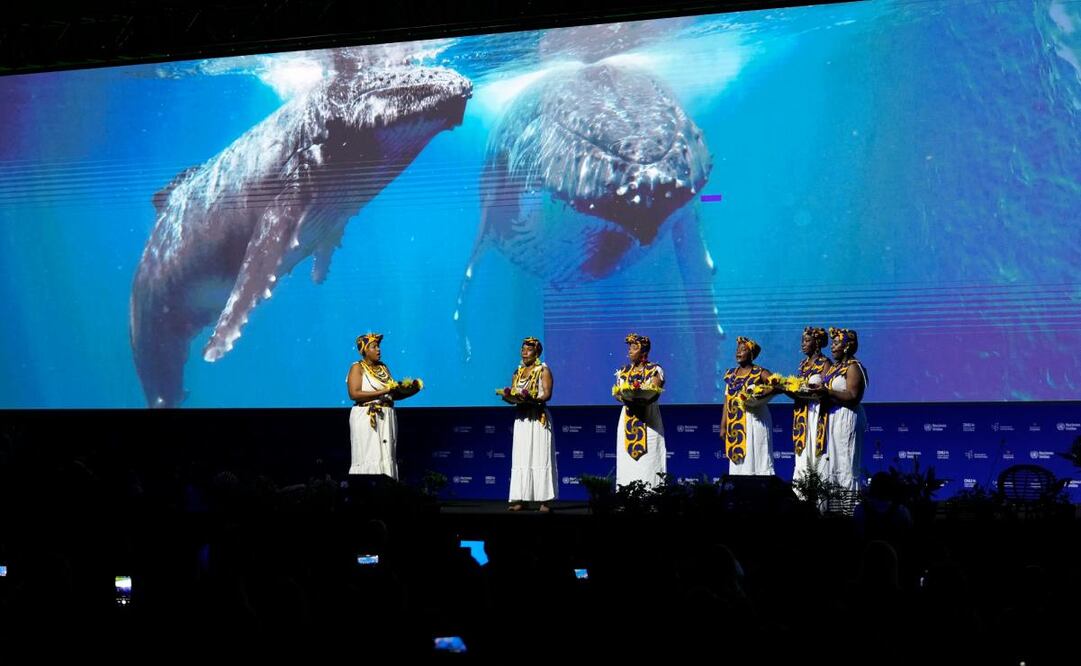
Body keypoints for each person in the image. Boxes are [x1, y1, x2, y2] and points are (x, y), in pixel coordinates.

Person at [502, 337, 556, 512]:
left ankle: (544, 501)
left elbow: (547, 394)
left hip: (538, 417)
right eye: (523, 349)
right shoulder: (517, 372)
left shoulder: (543, 370)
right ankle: (521, 499)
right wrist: (509, 397)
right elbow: (514, 394)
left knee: (541, 456)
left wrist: (533, 399)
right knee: (522, 457)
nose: (524, 352)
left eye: (529, 349)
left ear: (537, 352)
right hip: (522, 419)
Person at [346, 333, 409, 478]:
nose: (378, 350)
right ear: (365, 350)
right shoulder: (357, 367)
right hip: (367, 417)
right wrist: (384, 391)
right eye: (374, 347)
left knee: (387, 455)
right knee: (369, 455)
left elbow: (391, 393)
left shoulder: (383, 368)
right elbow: (353, 394)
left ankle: (388, 491)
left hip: (386, 417)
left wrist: (410, 390)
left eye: (378, 346)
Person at [814, 327, 868, 494]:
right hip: (832, 418)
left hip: (846, 418)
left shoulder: (853, 367)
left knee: (845, 464)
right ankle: (832, 509)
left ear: (846, 346)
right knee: (832, 464)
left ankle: (848, 511)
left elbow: (853, 396)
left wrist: (828, 392)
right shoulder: (835, 368)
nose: (832, 347)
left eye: (836, 343)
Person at [613, 333, 666, 488]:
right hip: (628, 419)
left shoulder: (655, 369)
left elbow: (655, 392)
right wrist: (625, 398)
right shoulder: (623, 370)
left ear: (644, 352)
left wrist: (642, 399)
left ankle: (652, 500)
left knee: (650, 460)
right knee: (627, 462)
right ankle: (626, 497)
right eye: (629, 347)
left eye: (634, 348)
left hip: (649, 421)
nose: (630, 350)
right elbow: (618, 393)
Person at [720, 336, 776, 476]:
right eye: (737, 349)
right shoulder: (731, 374)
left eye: (743, 350)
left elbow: (777, 384)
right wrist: (723, 425)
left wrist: (761, 393)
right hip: (735, 423)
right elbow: (727, 400)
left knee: (757, 458)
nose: (738, 352)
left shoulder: (760, 372)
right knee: (738, 465)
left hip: (755, 421)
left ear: (751, 354)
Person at [789, 327, 832, 490]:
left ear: (817, 343)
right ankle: (800, 499)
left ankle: (819, 503)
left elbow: (827, 390)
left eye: (807, 341)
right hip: (801, 413)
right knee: (802, 457)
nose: (803, 344)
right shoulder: (802, 364)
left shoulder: (825, 363)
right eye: (802, 341)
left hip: (817, 413)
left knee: (816, 455)